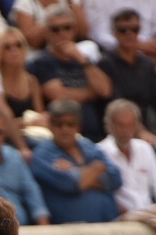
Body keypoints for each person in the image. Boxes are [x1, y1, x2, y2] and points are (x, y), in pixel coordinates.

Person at [98, 8, 156, 157]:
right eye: (123, 30)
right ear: (114, 33)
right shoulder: (106, 63)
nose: (129, 34)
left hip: (145, 126)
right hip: (119, 129)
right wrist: (139, 130)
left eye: (134, 29)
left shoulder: (146, 63)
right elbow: (116, 100)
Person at [30, 98, 123, 222]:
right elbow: (70, 184)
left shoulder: (88, 146)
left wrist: (75, 170)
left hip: (108, 222)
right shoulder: (42, 154)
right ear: (51, 125)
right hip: (69, 229)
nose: (65, 129)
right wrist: (97, 168)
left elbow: (115, 178)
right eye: (59, 124)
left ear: (78, 126)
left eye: (70, 124)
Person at [28, 6, 111, 140]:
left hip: (98, 133)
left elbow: (105, 90)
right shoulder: (41, 62)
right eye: (56, 29)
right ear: (47, 32)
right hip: (66, 137)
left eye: (67, 27)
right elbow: (61, 96)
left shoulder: (83, 59)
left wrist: (82, 60)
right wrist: (91, 93)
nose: (62, 33)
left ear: (74, 29)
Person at [99, 97, 156, 218]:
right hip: (121, 218)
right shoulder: (100, 151)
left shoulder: (144, 148)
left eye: (129, 125)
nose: (125, 130)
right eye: (120, 125)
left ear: (136, 126)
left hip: (149, 215)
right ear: (109, 125)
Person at [0, 29, 43, 156]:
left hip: (34, 135)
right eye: (7, 47)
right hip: (6, 140)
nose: (14, 51)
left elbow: (39, 114)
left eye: (18, 45)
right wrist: (22, 123)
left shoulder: (32, 82)